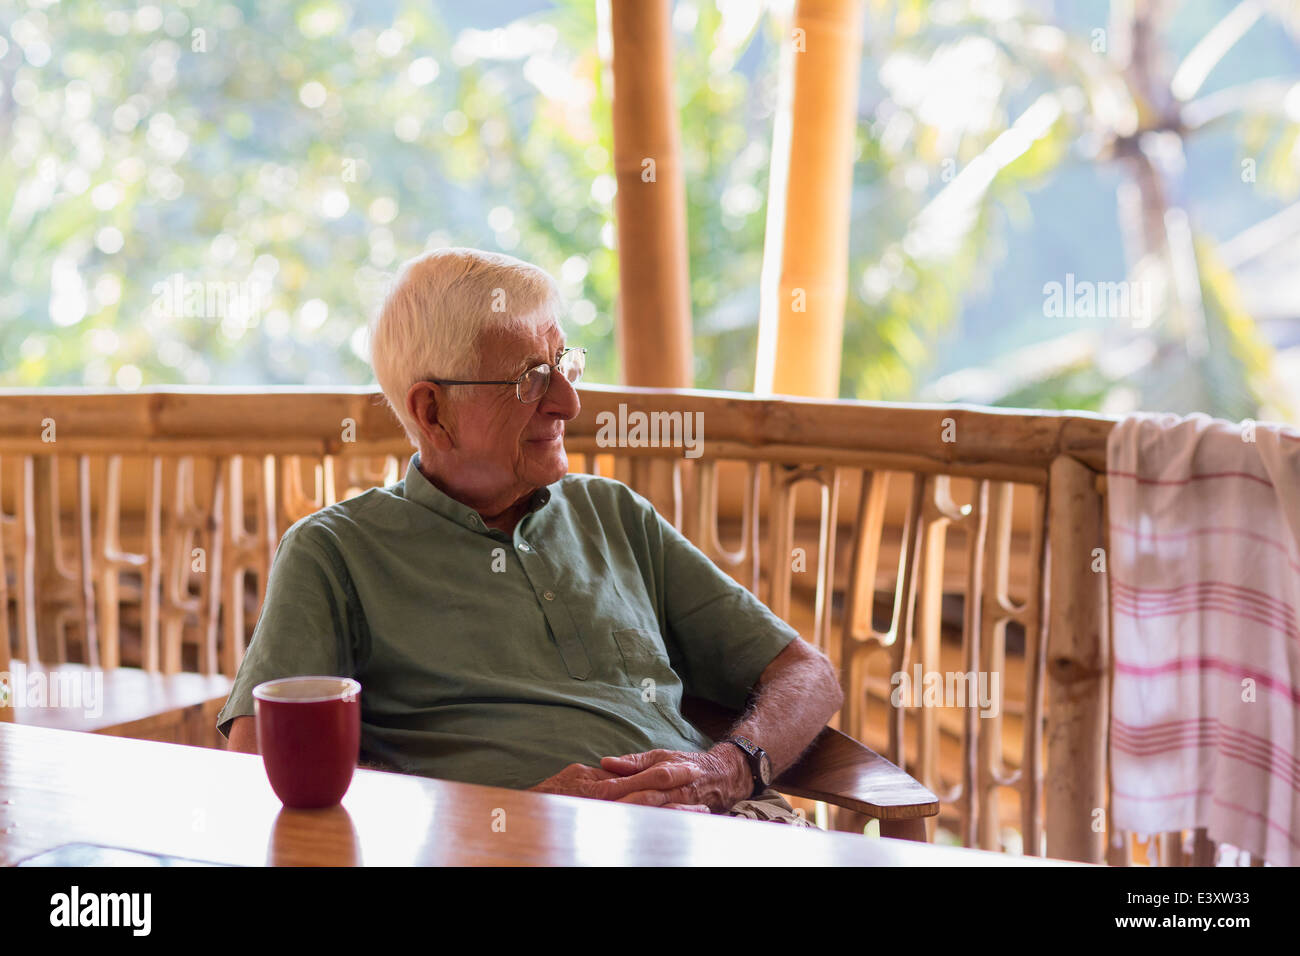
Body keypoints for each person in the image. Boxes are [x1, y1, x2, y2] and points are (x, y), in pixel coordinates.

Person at [217, 247, 842, 826]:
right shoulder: (335, 551)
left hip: (731, 832)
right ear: (432, 411)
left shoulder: (612, 513)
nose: (568, 402)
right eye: (530, 378)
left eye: (563, 364)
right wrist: (502, 817)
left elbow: (809, 674)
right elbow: (261, 767)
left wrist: (727, 768)